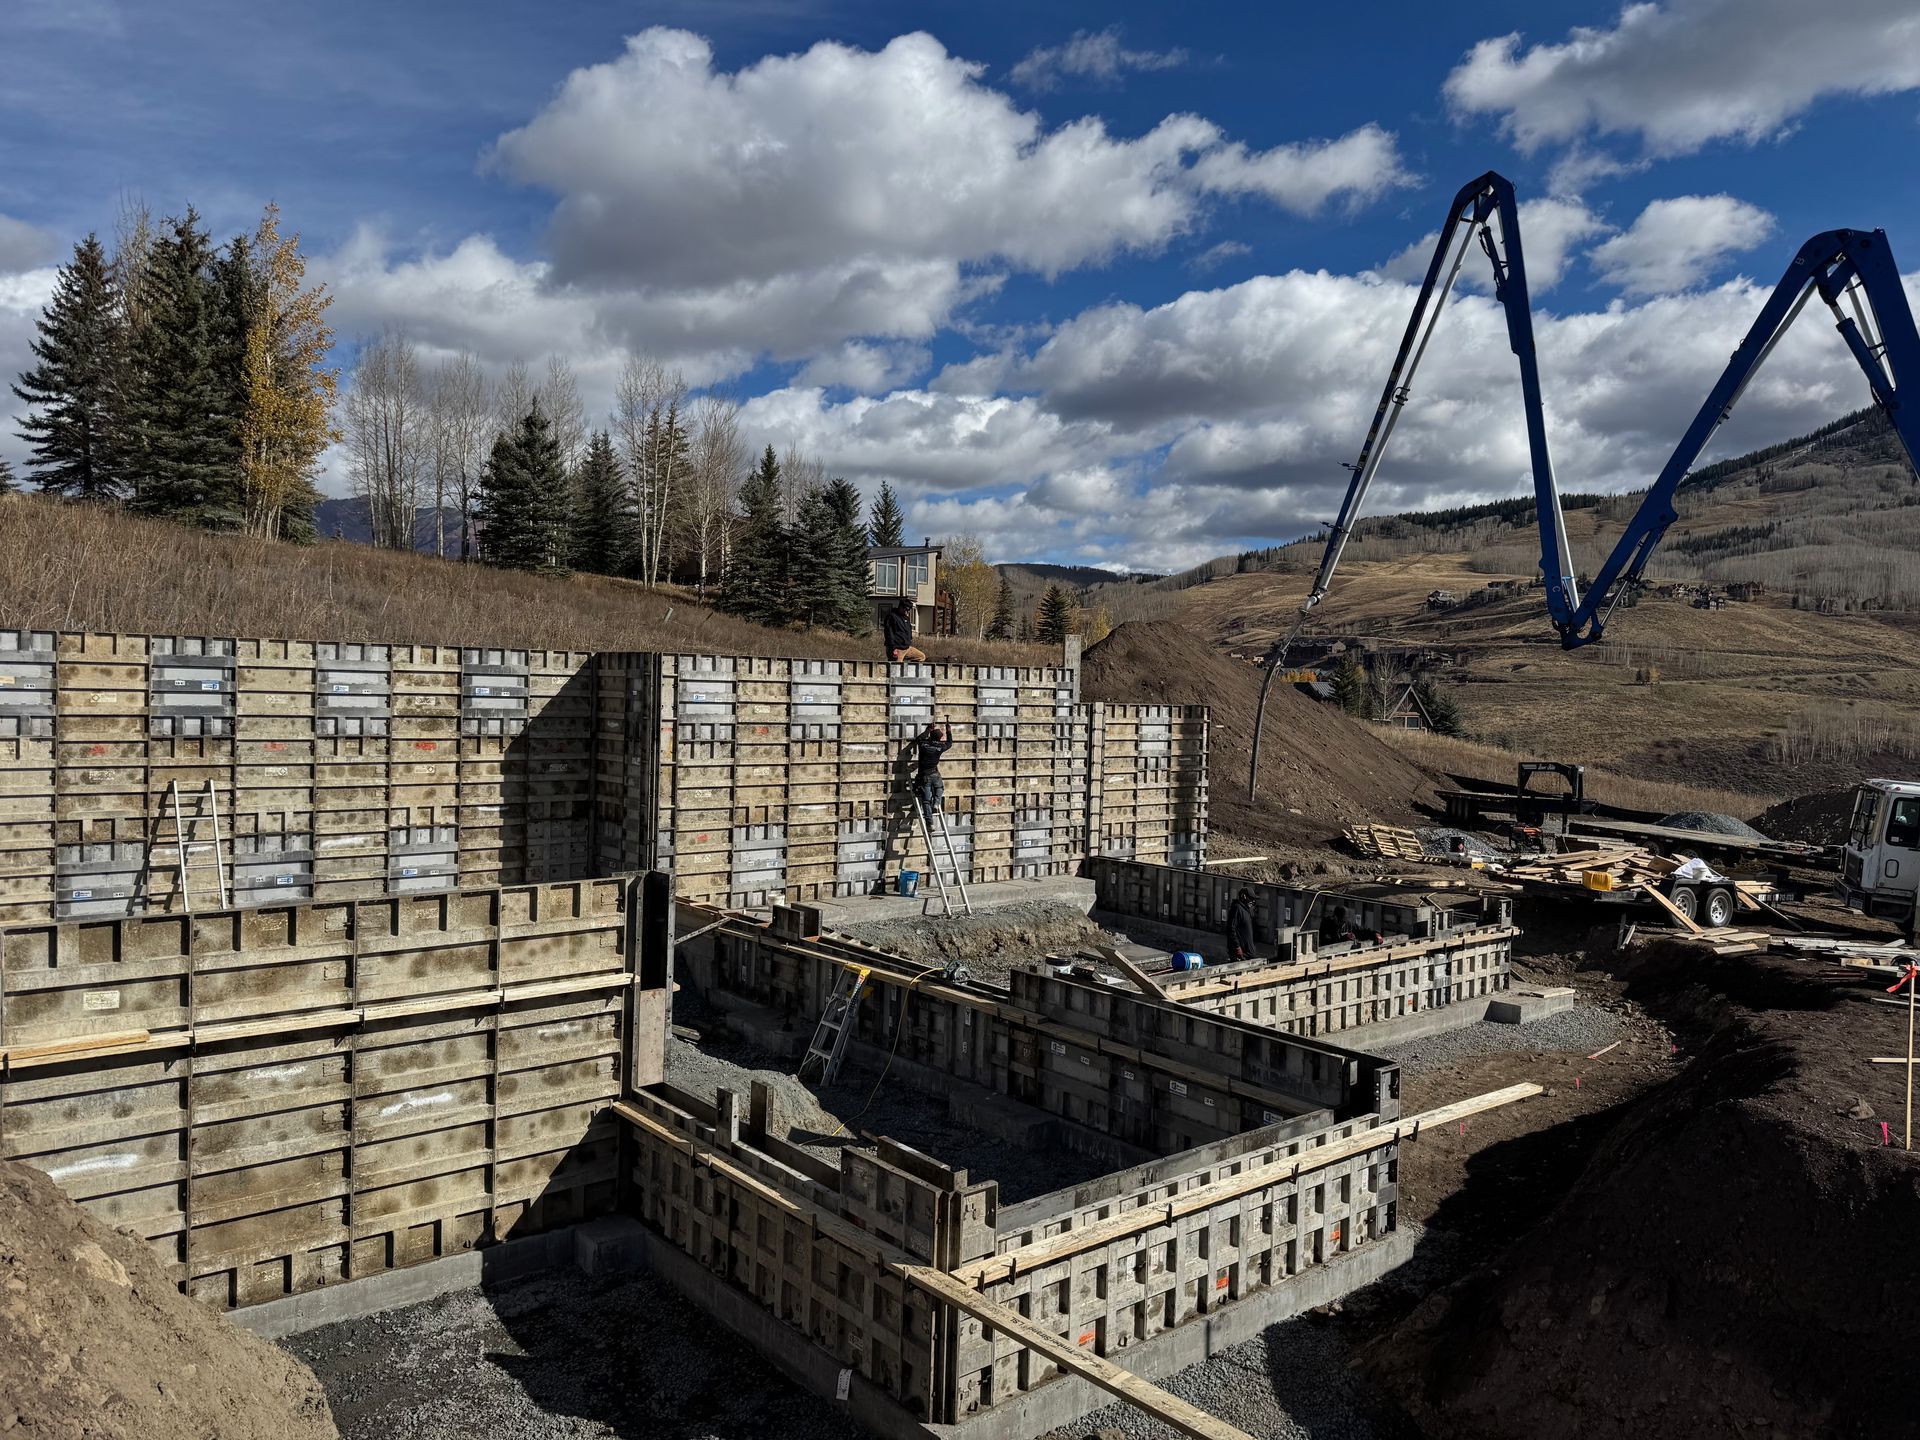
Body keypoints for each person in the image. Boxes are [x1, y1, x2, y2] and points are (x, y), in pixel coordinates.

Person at [913, 720, 953, 822]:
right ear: (940, 738)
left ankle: (929, 823)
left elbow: (919, 739)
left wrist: (928, 729)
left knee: (926, 800)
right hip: (934, 773)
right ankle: (936, 803)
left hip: (924, 775)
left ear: (930, 736)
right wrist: (949, 730)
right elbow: (949, 743)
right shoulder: (940, 747)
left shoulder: (923, 744)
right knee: (939, 787)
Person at [884, 597, 926, 664]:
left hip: (906, 647)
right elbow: (889, 633)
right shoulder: (892, 617)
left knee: (921, 656)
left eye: (909, 610)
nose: (907, 612)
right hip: (896, 648)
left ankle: (908, 672)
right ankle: (898, 672)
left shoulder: (906, 618)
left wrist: (909, 640)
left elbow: (907, 631)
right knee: (896, 668)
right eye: (906, 609)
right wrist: (893, 648)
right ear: (900, 607)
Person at [1227, 888, 1258, 961]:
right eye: (1251, 898)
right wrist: (1237, 947)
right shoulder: (1237, 908)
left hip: (1248, 954)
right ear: (1244, 896)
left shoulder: (1246, 910)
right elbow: (1231, 929)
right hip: (1241, 955)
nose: (1253, 901)